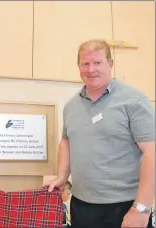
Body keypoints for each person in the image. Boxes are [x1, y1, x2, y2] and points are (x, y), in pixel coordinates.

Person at [48, 39, 155, 228]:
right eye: (85, 64)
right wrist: (61, 177)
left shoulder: (134, 101)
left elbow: (152, 153)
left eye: (97, 62)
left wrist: (141, 208)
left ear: (110, 64)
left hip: (124, 206)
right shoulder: (71, 106)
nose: (91, 69)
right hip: (81, 206)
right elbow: (66, 141)